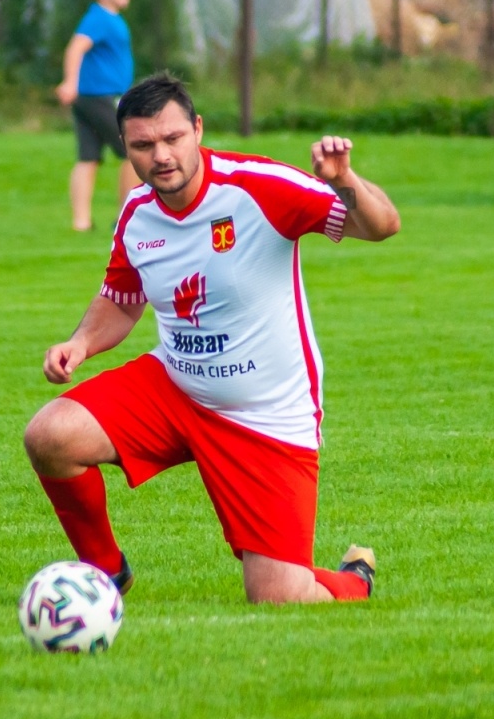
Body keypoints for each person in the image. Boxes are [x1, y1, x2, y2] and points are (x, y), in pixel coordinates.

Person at [23, 74, 401, 603]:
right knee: (51, 435)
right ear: (126, 148)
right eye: (143, 145)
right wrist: (80, 343)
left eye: (173, 138)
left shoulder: (259, 187)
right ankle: (106, 575)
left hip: (265, 415)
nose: (161, 156)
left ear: (197, 130)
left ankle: (353, 581)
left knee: (277, 595)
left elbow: (383, 226)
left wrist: (345, 181)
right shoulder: (137, 213)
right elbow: (123, 298)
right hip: (175, 390)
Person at [56, 0, 140, 231]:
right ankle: (126, 216)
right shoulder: (100, 18)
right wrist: (70, 82)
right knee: (133, 151)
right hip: (102, 97)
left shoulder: (109, 18)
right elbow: (76, 48)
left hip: (89, 98)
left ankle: (81, 222)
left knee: (88, 158)